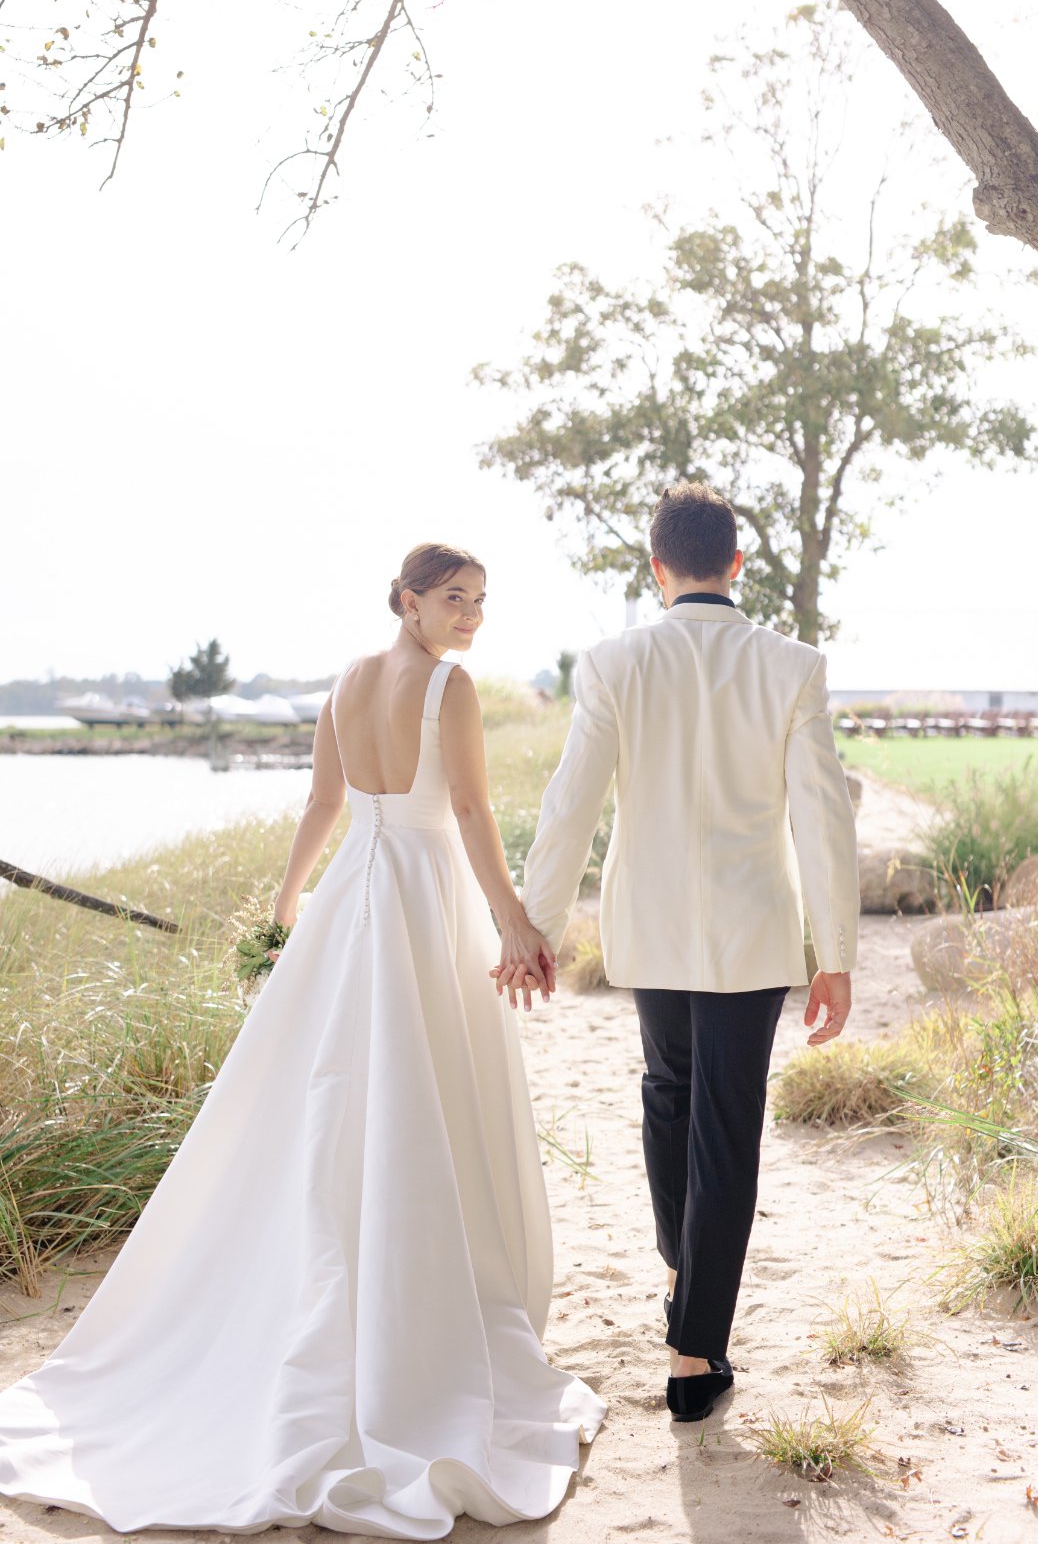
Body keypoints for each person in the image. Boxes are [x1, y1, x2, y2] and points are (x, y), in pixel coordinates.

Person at [0, 542, 605, 1537]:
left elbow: (324, 806)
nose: (471, 618)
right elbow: (463, 809)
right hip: (420, 894)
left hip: (351, 898)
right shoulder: (444, 688)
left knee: (337, 1097)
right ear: (406, 601)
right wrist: (511, 918)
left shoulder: (343, 683)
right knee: (411, 1094)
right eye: (455, 599)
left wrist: (285, 911)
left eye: (482, 602)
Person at [510, 483, 860, 1425]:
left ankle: (683, 1273)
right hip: (751, 936)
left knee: (668, 1095)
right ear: (736, 565)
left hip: (651, 929)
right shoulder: (791, 665)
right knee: (723, 1126)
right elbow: (824, 820)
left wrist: (534, 928)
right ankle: (695, 1348)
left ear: (656, 568)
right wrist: (836, 953)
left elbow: (569, 805)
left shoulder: (615, 662)